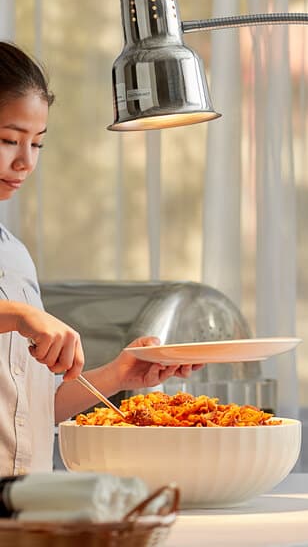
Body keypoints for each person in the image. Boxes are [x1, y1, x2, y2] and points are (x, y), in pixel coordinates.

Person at [0, 41, 199, 476]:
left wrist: (120, 374)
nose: (24, 162)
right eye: (9, 140)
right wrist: (16, 315)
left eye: (37, 144)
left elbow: (35, 411)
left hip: (26, 512)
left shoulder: (14, 256)